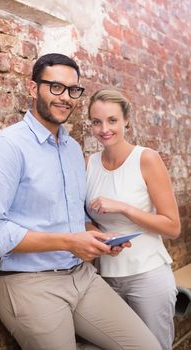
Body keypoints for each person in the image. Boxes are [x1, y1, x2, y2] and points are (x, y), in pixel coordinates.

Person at [0, 53, 162, 350]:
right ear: (34, 89)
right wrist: (69, 242)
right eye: (56, 87)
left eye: (73, 90)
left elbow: (75, 218)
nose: (66, 97)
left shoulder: (73, 149)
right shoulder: (7, 147)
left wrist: (97, 237)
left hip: (82, 276)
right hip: (28, 283)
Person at [86, 88, 181, 350]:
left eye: (112, 120)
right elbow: (83, 219)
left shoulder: (146, 159)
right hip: (104, 276)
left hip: (148, 275)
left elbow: (172, 226)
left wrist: (124, 208)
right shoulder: (88, 164)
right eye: (96, 122)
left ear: (126, 119)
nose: (104, 129)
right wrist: (97, 232)